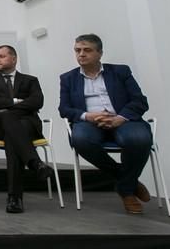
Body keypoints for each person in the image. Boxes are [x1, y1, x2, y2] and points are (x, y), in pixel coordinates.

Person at [59, 34, 152, 214]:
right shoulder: (68, 78)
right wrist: (89, 116)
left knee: (139, 139)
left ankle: (125, 189)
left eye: (87, 50)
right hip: (90, 123)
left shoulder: (120, 72)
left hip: (122, 119)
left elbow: (139, 101)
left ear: (100, 53)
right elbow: (64, 109)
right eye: (77, 50)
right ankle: (128, 181)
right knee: (80, 139)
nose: (81, 54)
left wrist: (120, 117)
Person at [0, 45, 53, 213]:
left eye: (2, 56)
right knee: (6, 118)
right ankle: (35, 163)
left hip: (27, 124)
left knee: (12, 140)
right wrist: (16, 102)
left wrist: (8, 108)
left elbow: (37, 101)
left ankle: (14, 198)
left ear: (14, 59)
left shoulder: (30, 80)